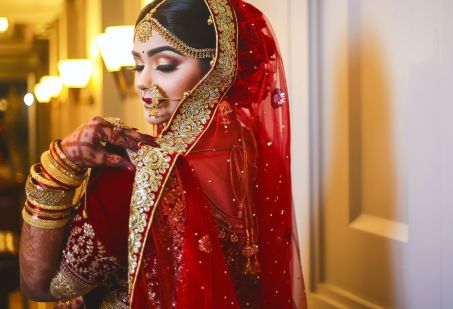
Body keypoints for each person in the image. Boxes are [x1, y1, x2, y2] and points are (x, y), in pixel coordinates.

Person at [18, 0, 307, 308]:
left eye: (165, 65)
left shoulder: (136, 171)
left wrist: (59, 165)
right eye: (138, 65)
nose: (142, 82)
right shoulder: (252, 151)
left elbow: (41, 284)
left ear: (219, 69)